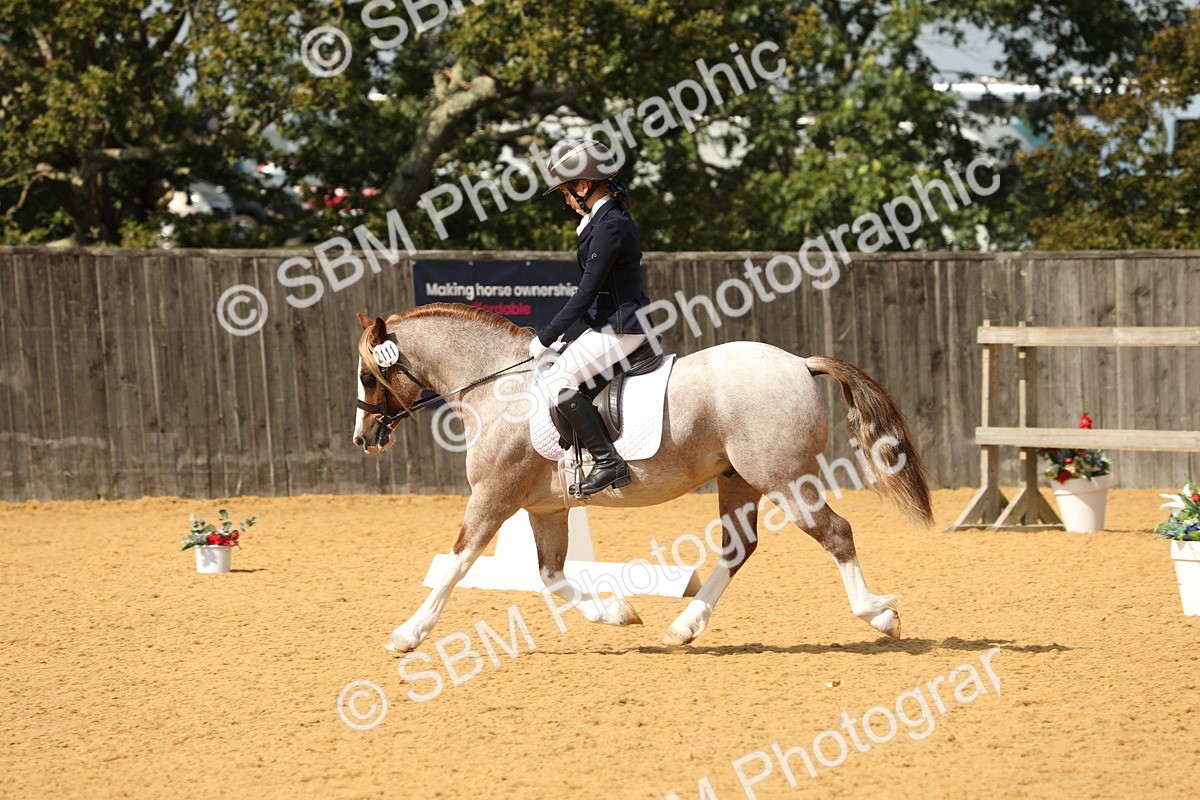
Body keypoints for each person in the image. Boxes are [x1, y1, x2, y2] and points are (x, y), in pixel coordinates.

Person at [529, 139, 651, 496]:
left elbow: (586, 292)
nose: (566, 202)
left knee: (556, 381)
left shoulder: (610, 226)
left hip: (621, 328)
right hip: (608, 323)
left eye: (566, 193)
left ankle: (608, 460)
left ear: (582, 187)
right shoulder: (602, 221)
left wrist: (546, 337)